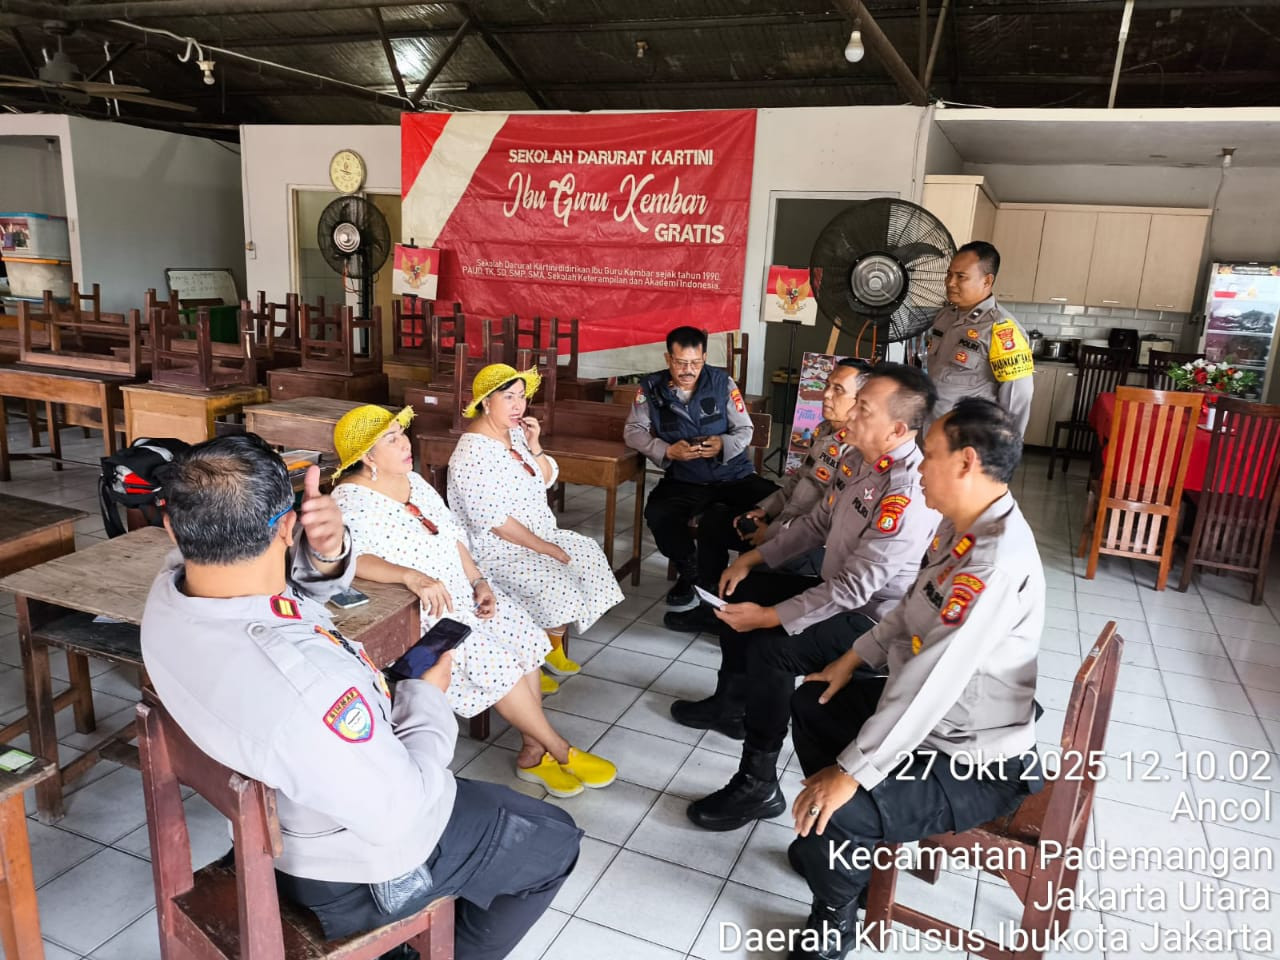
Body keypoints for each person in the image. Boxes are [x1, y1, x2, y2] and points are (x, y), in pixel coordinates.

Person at [140, 434, 583, 960]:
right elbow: (403, 811)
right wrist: (426, 697)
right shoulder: (311, 685)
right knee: (553, 837)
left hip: (283, 818)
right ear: (286, 526)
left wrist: (326, 556)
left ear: (173, 527)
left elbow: (275, 594)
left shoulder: (171, 594)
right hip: (345, 872)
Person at [783, 398, 1044, 960]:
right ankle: (834, 844)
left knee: (844, 804)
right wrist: (853, 657)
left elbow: (931, 682)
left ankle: (836, 918)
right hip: (936, 724)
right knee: (814, 700)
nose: (918, 467)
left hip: (973, 757)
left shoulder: (994, 562)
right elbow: (908, 608)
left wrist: (852, 772)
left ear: (966, 462)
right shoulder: (964, 526)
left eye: (929, 455)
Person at [671, 365, 941, 832]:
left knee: (770, 649)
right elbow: (816, 524)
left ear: (897, 429)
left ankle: (757, 782)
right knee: (742, 590)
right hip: (836, 594)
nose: (850, 414)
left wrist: (772, 617)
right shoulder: (859, 458)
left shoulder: (906, 492)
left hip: (874, 622)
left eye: (863, 407)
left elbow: (857, 589)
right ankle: (731, 704)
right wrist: (751, 561)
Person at [330, 404, 616, 798]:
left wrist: (479, 581)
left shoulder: (414, 480)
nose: (405, 444)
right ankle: (559, 749)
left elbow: (451, 536)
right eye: (391, 439)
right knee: (495, 660)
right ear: (367, 456)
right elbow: (354, 559)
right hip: (423, 610)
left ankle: (532, 751)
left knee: (525, 636)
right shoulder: (349, 500)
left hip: (462, 593)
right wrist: (410, 576)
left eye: (402, 433)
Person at [664, 357, 869, 633]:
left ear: (862, 401)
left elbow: (824, 522)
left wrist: (770, 533)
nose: (827, 395)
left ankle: (733, 616)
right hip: (783, 523)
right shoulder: (824, 431)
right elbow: (795, 482)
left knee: (748, 575)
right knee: (714, 522)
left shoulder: (857, 451)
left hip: (808, 545)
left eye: (839, 390)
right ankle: (710, 608)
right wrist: (764, 510)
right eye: (828, 385)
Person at [447, 363, 624, 672]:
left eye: (522, 396)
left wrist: (535, 445)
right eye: (509, 397)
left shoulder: (513, 434)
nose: (519, 406)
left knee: (587, 555)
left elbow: (543, 478)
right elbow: (497, 523)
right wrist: (547, 549)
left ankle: (550, 647)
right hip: (497, 550)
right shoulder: (472, 453)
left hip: (538, 534)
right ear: (486, 402)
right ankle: (532, 660)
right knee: (558, 583)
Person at [624, 326, 778, 607]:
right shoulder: (651, 388)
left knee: (778, 508)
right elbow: (633, 431)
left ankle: (749, 575)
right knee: (659, 514)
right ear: (668, 359)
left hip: (733, 476)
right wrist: (666, 450)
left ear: (705, 358)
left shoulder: (722, 383)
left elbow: (745, 430)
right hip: (685, 479)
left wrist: (722, 444)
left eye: (695, 363)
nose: (688, 370)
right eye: (681, 363)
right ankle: (691, 573)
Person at [927, 241, 1034, 435]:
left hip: (967, 437)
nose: (950, 283)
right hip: (931, 430)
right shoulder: (945, 316)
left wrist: (1007, 444)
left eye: (961, 277)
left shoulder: (1001, 329)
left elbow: (1018, 396)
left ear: (987, 281)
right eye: (949, 274)